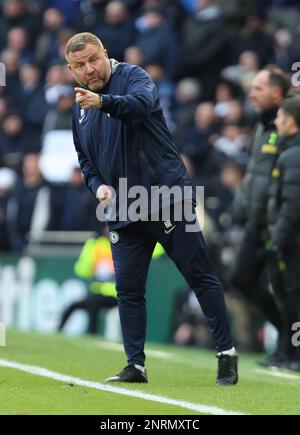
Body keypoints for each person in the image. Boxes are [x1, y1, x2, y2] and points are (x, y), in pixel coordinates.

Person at [65, 32, 238, 385]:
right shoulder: (79, 109)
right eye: (80, 65)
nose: (89, 69)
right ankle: (135, 365)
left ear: (105, 53)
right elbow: (85, 160)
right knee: (128, 290)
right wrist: (97, 186)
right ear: (70, 70)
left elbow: (139, 107)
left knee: (198, 275)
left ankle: (226, 353)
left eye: (93, 60)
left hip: (166, 198)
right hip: (122, 208)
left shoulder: (135, 77)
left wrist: (103, 102)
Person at [230, 66, 290, 367]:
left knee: (286, 288)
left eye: (258, 88)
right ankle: (284, 334)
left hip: (279, 221)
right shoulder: (262, 125)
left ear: (276, 93)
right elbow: (254, 173)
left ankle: (288, 347)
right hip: (255, 221)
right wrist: (241, 204)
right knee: (240, 278)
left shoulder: (291, 123)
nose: (251, 94)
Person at [267, 97, 300, 371]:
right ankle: (290, 352)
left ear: (291, 121)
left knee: (295, 294)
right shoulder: (288, 151)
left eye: (279, 116)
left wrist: (279, 236)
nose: (276, 122)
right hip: (290, 237)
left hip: (293, 239)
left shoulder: (293, 155)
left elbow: (291, 203)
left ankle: (295, 354)